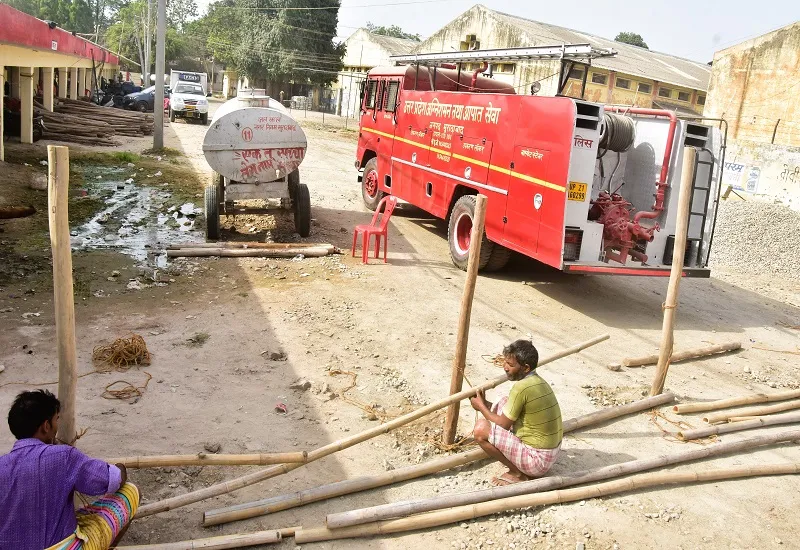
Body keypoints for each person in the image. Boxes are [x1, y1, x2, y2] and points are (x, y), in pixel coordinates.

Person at [0, 390, 139, 549]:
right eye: (56, 420)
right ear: (46, 426)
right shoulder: (63, 456)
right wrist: (120, 469)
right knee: (130, 492)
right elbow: (110, 480)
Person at [470, 340, 562, 485]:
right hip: (551, 455)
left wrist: (481, 407)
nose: (505, 368)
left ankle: (517, 472)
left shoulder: (521, 388)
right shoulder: (538, 381)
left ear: (525, 368)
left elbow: (503, 425)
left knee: (481, 429)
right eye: (505, 362)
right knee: (505, 402)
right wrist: (484, 404)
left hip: (537, 461)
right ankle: (519, 466)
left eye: (511, 365)